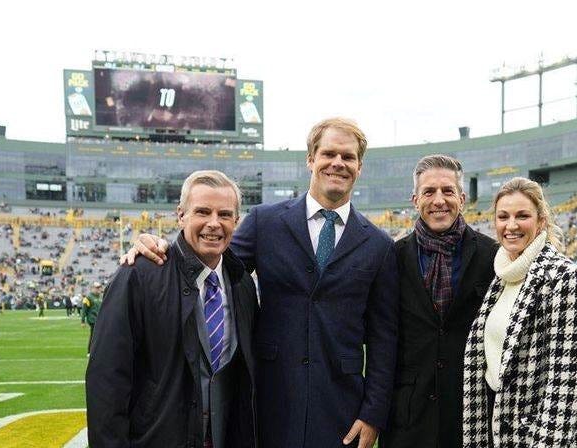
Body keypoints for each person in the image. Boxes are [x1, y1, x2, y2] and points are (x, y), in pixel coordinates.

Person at [124, 117, 399, 448]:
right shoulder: (266, 222)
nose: (337, 163)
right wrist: (160, 244)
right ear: (311, 158)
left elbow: (384, 338)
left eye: (348, 156)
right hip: (268, 402)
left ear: (359, 166)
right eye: (328, 153)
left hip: (341, 407)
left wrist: (373, 414)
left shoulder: (379, 245)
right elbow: (209, 256)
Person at [87, 170, 258, 447]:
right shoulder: (138, 276)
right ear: (181, 216)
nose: (214, 223)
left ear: (236, 221)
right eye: (202, 212)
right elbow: (107, 380)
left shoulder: (242, 286)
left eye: (224, 215)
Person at [462, 177, 577, 447]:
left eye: (522, 216)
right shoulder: (502, 275)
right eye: (503, 216)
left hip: (538, 434)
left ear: (541, 220)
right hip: (495, 423)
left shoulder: (564, 277)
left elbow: (566, 385)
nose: (511, 226)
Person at [380, 155, 496, 448]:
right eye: (429, 192)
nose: (439, 200)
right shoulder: (393, 257)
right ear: (415, 199)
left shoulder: (492, 256)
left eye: (447, 191)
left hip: (473, 415)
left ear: (462, 197)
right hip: (408, 418)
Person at [80, 282, 102, 356]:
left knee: (100, 336)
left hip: (100, 320)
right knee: (93, 336)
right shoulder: (88, 297)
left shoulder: (100, 297)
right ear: (92, 288)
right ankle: (90, 351)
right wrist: (82, 321)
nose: (98, 289)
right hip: (93, 319)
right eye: (97, 288)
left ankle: (97, 350)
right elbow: (84, 310)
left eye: (99, 287)